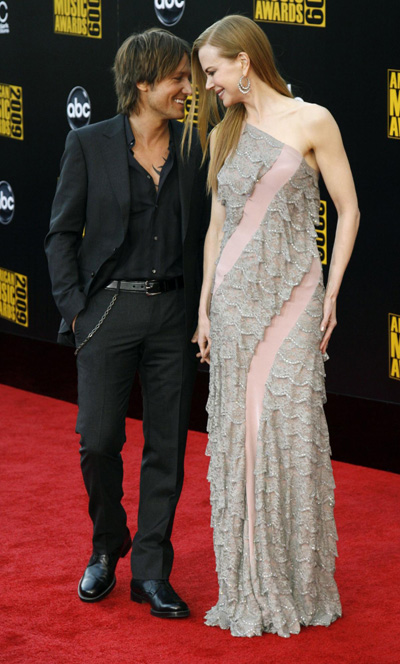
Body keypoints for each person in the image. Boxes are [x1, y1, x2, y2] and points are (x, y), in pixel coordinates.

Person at [184, 15, 360, 637]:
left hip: (294, 299)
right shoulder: (224, 133)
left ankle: (296, 581)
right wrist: (205, 307)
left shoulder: (312, 119)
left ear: (244, 63)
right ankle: (250, 583)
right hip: (233, 305)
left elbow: (348, 208)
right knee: (240, 435)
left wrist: (332, 291)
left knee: (287, 428)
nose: (207, 86)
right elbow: (215, 228)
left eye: (213, 72)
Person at [45, 28, 209, 618]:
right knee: (98, 442)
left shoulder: (197, 146)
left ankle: (151, 572)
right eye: (178, 79)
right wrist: (75, 309)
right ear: (143, 82)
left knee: (167, 446)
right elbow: (61, 234)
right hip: (106, 312)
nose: (188, 89)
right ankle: (105, 543)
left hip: (174, 316)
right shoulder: (88, 144)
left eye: (191, 78)